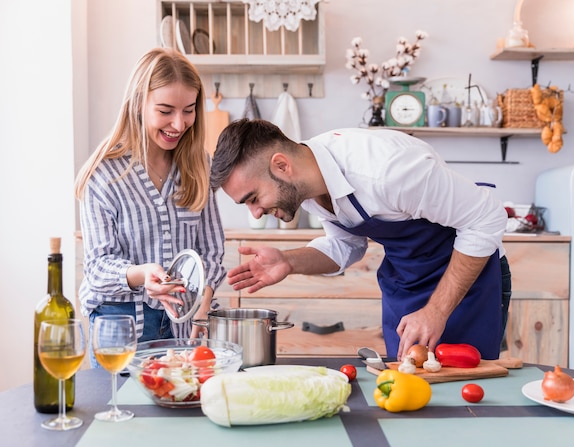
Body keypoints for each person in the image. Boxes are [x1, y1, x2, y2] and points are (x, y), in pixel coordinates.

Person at [210, 119, 511, 361]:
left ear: (281, 166)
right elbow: (347, 246)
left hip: (469, 284)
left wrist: (436, 311)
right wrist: (289, 261)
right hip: (407, 285)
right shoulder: (308, 186)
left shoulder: (387, 170)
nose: (257, 212)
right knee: (409, 390)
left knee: (466, 400)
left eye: (253, 198)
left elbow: (486, 218)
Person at [75, 48, 226, 366]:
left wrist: (204, 299)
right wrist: (143, 274)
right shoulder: (104, 174)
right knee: (119, 411)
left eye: (188, 110)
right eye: (166, 110)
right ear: (138, 104)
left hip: (182, 322)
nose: (179, 123)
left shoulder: (199, 165)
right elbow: (97, 267)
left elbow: (211, 252)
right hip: (119, 324)